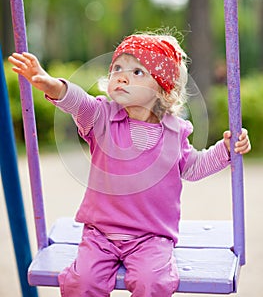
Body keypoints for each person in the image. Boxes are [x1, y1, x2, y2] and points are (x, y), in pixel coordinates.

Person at [8, 32, 251, 297]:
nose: (122, 76)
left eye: (137, 72)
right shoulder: (101, 117)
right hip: (100, 234)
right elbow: (78, 101)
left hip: (151, 237)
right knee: (83, 282)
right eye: (117, 68)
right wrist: (51, 85)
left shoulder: (174, 131)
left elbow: (192, 167)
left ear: (162, 88)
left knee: (152, 283)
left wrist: (226, 150)